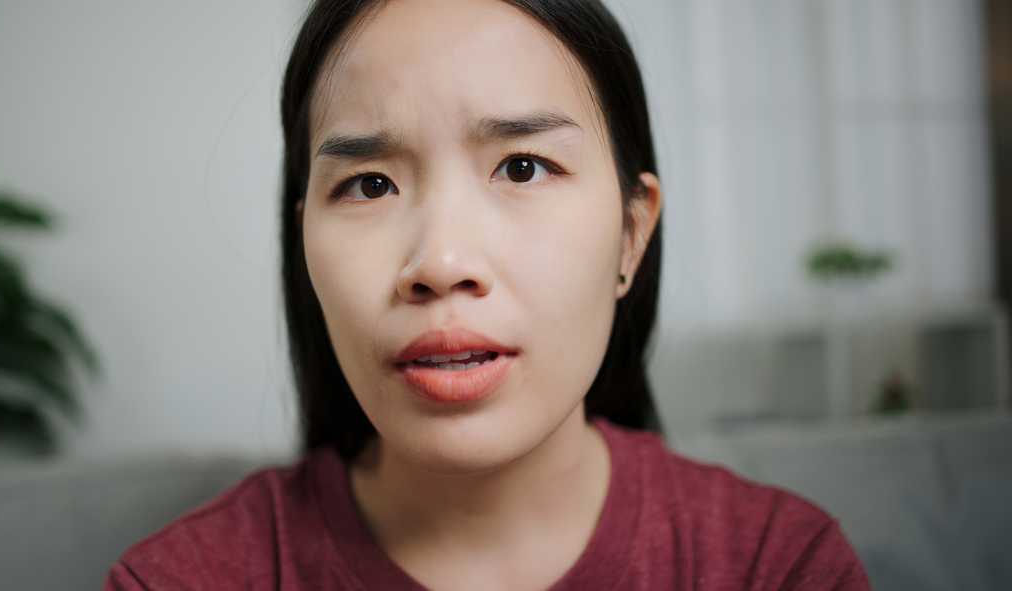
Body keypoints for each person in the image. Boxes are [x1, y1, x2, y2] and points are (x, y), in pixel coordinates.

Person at [105, 0, 872, 589]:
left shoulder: (779, 566)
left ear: (631, 234)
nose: (440, 261)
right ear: (303, 241)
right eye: (370, 184)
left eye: (523, 167)